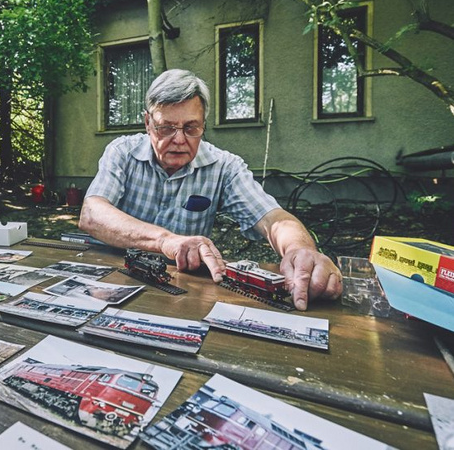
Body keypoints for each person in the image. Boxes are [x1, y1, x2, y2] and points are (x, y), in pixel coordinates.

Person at [79, 68, 343, 310]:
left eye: (191, 127)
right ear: (148, 123)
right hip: (111, 278)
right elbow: (92, 213)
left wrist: (300, 250)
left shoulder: (224, 166)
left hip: (178, 292)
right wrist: (166, 241)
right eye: (166, 128)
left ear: (203, 124)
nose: (180, 139)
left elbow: (273, 219)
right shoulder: (122, 152)